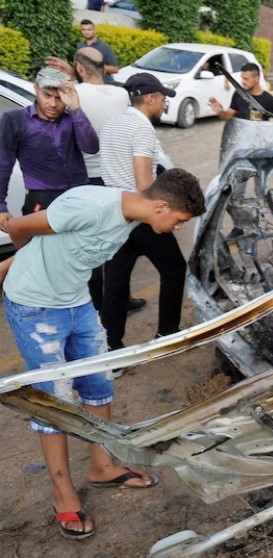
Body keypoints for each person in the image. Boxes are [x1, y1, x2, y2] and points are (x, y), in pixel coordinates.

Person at [0, 170, 205, 539]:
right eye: (179, 221)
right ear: (161, 206)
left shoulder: (131, 219)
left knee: (99, 385)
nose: (177, 228)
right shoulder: (89, 205)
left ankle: (102, 466)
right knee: (54, 403)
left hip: (78, 303)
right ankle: (62, 494)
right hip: (36, 307)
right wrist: (22, 264)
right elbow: (19, 227)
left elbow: (62, 247)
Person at [45, 48, 146, 314]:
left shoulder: (74, 96)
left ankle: (97, 307)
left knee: (90, 248)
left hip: (85, 179)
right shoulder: (121, 94)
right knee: (116, 245)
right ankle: (121, 302)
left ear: (78, 68)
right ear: (104, 67)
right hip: (117, 179)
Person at [99, 73, 187, 354]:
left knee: (115, 283)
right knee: (174, 268)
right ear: (149, 99)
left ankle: (111, 348)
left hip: (115, 214)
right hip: (142, 217)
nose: (163, 105)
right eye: (162, 99)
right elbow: (144, 183)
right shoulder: (142, 129)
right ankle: (168, 334)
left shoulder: (111, 123)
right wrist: (168, 214)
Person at [0, 67, 98, 287]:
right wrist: (1, 207)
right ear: (36, 89)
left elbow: (91, 147)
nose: (53, 104)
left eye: (58, 98)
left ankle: (92, 313)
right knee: (42, 263)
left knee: (87, 262)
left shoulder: (71, 118)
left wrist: (75, 108)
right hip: (41, 201)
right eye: (47, 96)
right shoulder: (15, 119)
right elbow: (3, 165)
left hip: (79, 198)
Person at [208, 62, 273, 121]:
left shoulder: (269, 100)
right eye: (242, 78)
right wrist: (219, 111)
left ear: (256, 79)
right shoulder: (238, 94)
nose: (242, 82)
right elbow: (228, 116)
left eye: (246, 79)